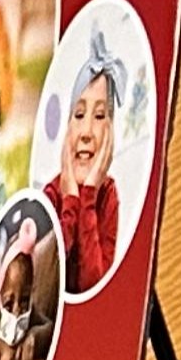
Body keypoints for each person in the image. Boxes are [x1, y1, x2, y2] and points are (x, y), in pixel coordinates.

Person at [45, 44, 126, 293]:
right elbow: (49, 276)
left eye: (100, 116)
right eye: (79, 115)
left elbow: (93, 285)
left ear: (110, 134)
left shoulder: (108, 195)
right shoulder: (52, 194)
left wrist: (88, 196)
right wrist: (71, 201)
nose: (87, 133)